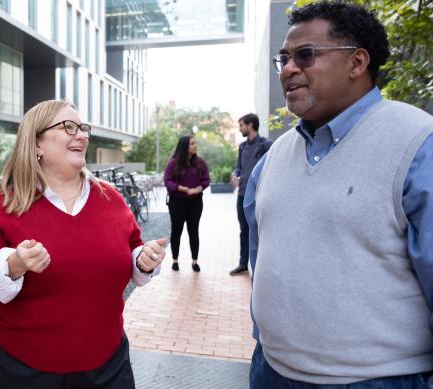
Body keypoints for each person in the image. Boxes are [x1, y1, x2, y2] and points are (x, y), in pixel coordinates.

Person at [245, 2, 433, 387]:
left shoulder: (418, 145)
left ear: (357, 62)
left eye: (305, 55)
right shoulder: (273, 158)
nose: (289, 69)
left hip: (376, 380)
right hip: (271, 370)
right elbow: (261, 256)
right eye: (283, 59)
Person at [0, 100, 168, 388]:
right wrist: (14, 263)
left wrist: (143, 259)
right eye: (68, 127)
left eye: (82, 128)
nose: (81, 135)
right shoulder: (4, 204)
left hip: (108, 363)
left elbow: (132, 249)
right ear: (36, 144)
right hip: (26, 367)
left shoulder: (111, 199)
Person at [229, 114, 271, 276]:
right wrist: (234, 173)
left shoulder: (266, 145)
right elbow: (238, 167)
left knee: (260, 230)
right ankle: (243, 264)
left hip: (259, 196)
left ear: (250, 125)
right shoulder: (242, 146)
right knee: (243, 230)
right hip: (242, 195)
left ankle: (260, 267)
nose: (240, 129)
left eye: (241, 125)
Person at [163, 135, 210, 272]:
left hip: (195, 202)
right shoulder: (173, 163)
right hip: (177, 202)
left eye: (195, 143)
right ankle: (175, 260)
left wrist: (198, 189)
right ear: (184, 147)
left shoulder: (200, 163)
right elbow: (167, 181)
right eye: (192, 144)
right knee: (176, 231)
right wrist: (181, 188)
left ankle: (195, 261)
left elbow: (206, 180)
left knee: (193, 231)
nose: (195, 145)